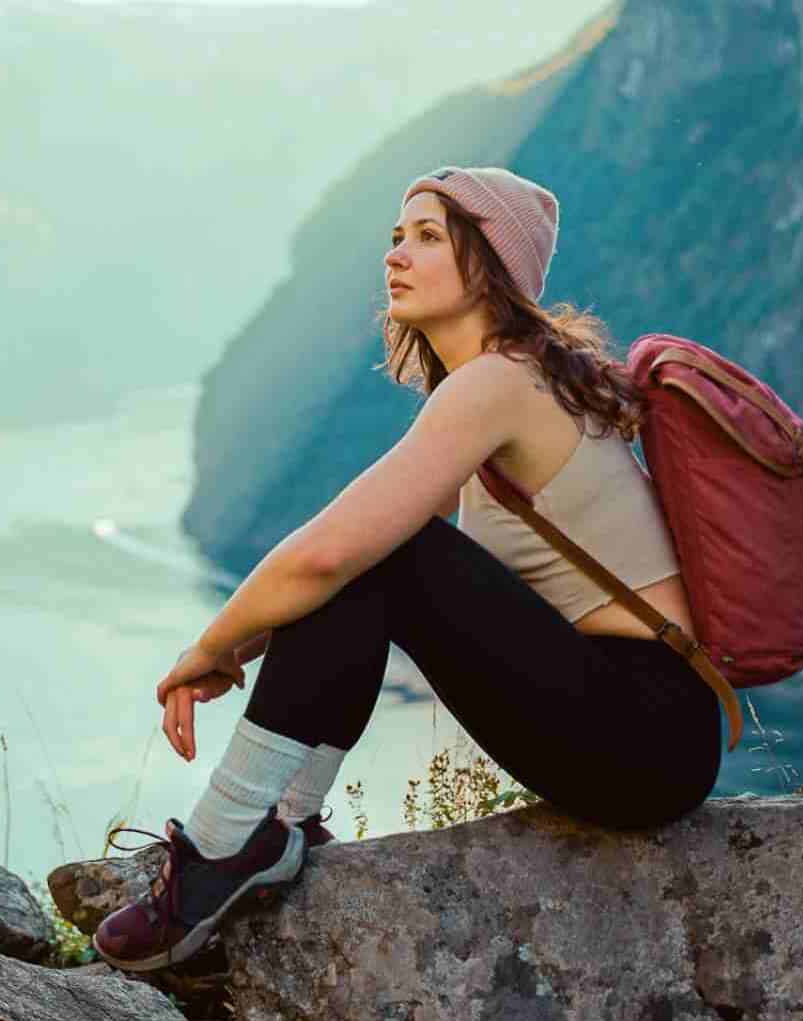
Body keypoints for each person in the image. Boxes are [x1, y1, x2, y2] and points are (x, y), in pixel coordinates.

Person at [94, 166, 723, 972]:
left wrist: (214, 647)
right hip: (648, 730)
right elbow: (343, 570)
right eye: (397, 237)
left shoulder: (498, 384)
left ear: (492, 265)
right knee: (377, 557)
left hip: (643, 733)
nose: (397, 254)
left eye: (429, 237)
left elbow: (328, 553)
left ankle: (224, 845)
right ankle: (279, 827)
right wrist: (251, 640)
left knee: (383, 553)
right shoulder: (518, 377)